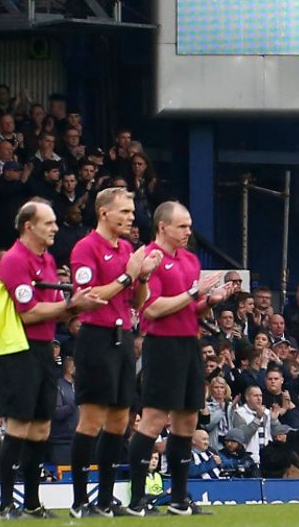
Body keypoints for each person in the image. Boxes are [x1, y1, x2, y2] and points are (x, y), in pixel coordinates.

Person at [0, 198, 111, 516]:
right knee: (18, 425)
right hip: (18, 350)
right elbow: (29, 312)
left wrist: (71, 306)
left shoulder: (46, 260)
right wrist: (72, 305)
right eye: (49, 223)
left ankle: (31, 503)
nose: (56, 228)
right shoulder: (15, 260)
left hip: (44, 349)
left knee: (41, 428)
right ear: (28, 226)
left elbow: (54, 309)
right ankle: (5, 505)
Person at [126, 199, 226, 516]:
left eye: (189, 226)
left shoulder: (190, 260)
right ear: (163, 227)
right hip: (161, 346)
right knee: (154, 420)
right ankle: (137, 499)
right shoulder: (149, 258)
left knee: (187, 421)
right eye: (182, 226)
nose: (188, 232)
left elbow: (189, 308)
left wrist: (210, 301)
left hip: (188, 344)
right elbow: (152, 309)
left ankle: (179, 499)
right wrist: (195, 293)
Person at [69, 186, 162, 514]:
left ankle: (106, 499)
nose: (130, 217)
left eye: (132, 212)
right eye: (124, 211)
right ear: (104, 212)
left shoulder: (127, 249)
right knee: (92, 419)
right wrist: (129, 275)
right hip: (96, 337)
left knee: (120, 420)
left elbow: (136, 300)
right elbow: (89, 296)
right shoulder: (85, 248)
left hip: (124, 339)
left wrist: (145, 278)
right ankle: (80, 501)